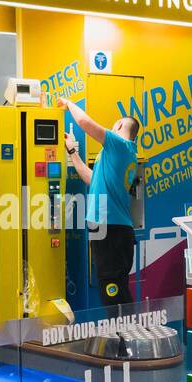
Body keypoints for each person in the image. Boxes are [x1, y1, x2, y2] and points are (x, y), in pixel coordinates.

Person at [58, 96, 141, 308]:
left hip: (109, 227)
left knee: (111, 286)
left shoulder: (120, 145)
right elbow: (90, 178)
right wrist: (72, 152)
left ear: (121, 125)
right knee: (114, 285)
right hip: (110, 227)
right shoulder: (121, 153)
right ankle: (125, 336)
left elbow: (86, 124)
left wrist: (69, 104)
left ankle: (121, 337)